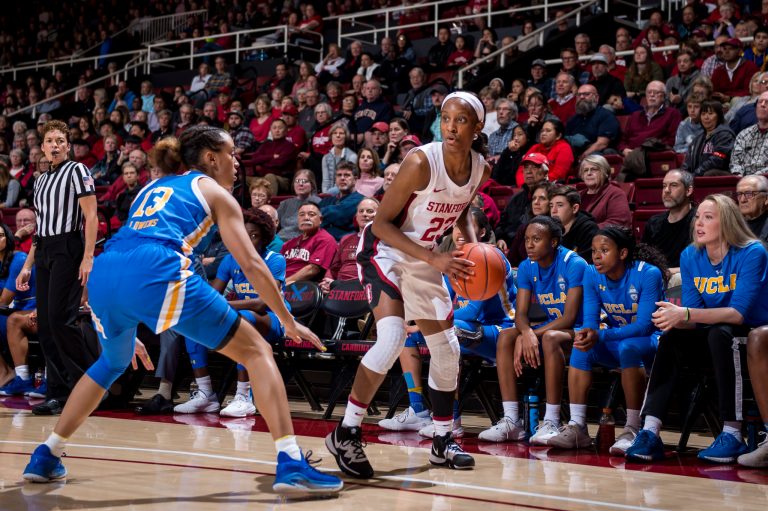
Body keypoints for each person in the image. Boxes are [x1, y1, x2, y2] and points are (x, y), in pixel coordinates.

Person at [20, 127, 343, 494]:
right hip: (157, 268)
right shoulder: (215, 192)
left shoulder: (154, 186)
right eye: (231, 153)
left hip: (107, 273)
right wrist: (286, 319)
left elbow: (134, 244)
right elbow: (252, 263)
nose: (236, 163)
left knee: (111, 362)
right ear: (209, 157)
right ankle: (290, 461)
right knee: (257, 350)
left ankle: (47, 454)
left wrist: (129, 316)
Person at [325, 91, 491, 477]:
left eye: (461, 120)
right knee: (392, 338)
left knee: (448, 350)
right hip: (386, 250)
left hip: (425, 255)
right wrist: (434, 257)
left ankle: (442, 439)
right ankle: (346, 431)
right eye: (445, 118)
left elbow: (464, 206)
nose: (451, 126)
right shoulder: (420, 162)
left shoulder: (481, 168)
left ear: (477, 127)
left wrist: (471, 244)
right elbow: (381, 223)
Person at [627, 194, 768, 464]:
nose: (698, 224)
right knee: (673, 338)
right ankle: (650, 431)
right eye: (697, 218)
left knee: (721, 333)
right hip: (718, 333)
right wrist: (674, 319)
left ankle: (732, 434)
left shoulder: (752, 252)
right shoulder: (690, 255)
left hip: (754, 332)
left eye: (708, 217)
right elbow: (693, 314)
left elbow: (737, 314)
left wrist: (687, 314)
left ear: (726, 222)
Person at [548, 227, 666, 453]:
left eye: (604, 250)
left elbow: (643, 326)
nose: (596, 256)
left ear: (622, 253)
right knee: (582, 346)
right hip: (618, 340)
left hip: (651, 341)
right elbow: (591, 321)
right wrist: (588, 333)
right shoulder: (591, 274)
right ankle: (577, 427)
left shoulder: (648, 274)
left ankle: (633, 428)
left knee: (629, 346)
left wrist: (600, 334)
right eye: (593, 251)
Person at [16, 120, 98, 417]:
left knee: (62, 320)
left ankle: (86, 388)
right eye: (49, 140)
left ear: (68, 145)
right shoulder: (39, 180)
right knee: (47, 324)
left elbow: (91, 216)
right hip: (45, 249)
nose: (54, 145)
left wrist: (88, 256)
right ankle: (58, 393)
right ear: (42, 147)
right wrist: (27, 265)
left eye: (60, 140)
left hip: (69, 247)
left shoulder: (77, 171)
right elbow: (40, 228)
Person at [480, 216, 587, 443]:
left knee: (549, 338)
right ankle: (511, 420)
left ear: (554, 242)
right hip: (552, 329)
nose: (529, 244)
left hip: (581, 329)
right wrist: (526, 333)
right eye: (527, 239)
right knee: (507, 336)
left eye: (536, 239)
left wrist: (530, 334)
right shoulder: (528, 267)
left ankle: (552, 420)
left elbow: (569, 318)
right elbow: (520, 315)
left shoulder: (574, 263)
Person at [174, 209, 288, 418]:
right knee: (194, 323)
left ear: (264, 236)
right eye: (245, 235)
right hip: (243, 315)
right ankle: (205, 394)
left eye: (254, 235)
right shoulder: (229, 260)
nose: (249, 240)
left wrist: (225, 306)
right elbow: (212, 295)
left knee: (243, 321)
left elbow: (263, 303)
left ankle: (244, 396)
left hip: (275, 320)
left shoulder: (275, 259)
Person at [642, 170, 695, 281]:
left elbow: (704, 264)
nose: (666, 190)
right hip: (657, 280)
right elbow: (643, 260)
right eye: (664, 186)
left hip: (687, 280)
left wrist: (670, 272)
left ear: (688, 190)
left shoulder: (699, 221)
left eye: (674, 185)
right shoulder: (653, 223)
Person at [281, 202, 338, 285]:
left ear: (320, 220)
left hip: (302, 288)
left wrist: (282, 284)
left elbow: (312, 270)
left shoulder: (325, 239)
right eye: (302, 214)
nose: (306, 218)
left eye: (311, 214)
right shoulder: (289, 244)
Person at [681, 100, 735, 176]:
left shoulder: (725, 135)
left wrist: (695, 174)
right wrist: (683, 176)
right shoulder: (698, 139)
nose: (706, 117)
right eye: (703, 114)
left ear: (719, 116)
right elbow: (687, 163)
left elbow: (718, 160)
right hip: (697, 177)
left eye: (710, 113)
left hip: (718, 177)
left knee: (709, 173)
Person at [578, 156, 631, 228]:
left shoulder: (616, 194)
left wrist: (586, 230)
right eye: (585, 170)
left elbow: (618, 222)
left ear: (605, 173)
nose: (589, 173)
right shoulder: (577, 195)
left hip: (600, 237)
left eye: (594, 169)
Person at [550, 185, 599, 263]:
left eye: (560, 205)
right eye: (551, 206)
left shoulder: (588, 230)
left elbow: (582, 265)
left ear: (574, 208)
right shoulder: (549, 229)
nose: (553, 210)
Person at [276, 169, 321, 242]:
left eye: (304, 181)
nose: (300, 184)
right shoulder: (285, 204)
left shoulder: (318, 203)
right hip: (280, 240)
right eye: (297, 181)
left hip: (301, 242)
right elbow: (273, 224)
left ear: (312, 185)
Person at [730, 91, 768, 176]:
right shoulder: (744, 134)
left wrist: (754, 177)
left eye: (767, 102)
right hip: (743, 182)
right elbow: (735, 162)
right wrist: (739, 175)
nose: (762, 105)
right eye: (759, 102)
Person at [736, 175, 768, 242]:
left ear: (766, 198)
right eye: (739, 194)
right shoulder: (733, 225)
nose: (742, 200)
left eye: (749, 194)